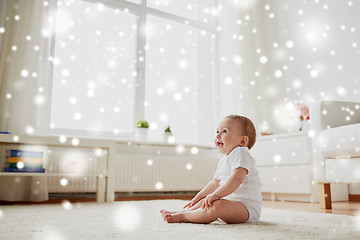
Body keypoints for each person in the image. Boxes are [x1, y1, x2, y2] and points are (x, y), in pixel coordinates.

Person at [160, 115, 262, 224]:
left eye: (224, 131)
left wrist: (216, 195)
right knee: (206, 201)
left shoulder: (241, 153)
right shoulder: (224, 160)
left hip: (246, 209)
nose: (218, 135)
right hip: (230, 204)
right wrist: (199, 196)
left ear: (242, 140)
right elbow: (215, 183)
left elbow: (236, 179)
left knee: (216, 204)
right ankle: (182, 211)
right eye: (217, 131)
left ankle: (184, 216)